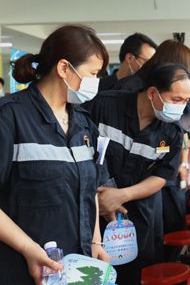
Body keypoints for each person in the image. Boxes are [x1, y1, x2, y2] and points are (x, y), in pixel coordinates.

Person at [0, 25, 110, 284]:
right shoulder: (10, 118)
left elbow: (90, 188)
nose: (95, 82)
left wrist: (95, 240)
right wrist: (29, 249)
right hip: (27, 268)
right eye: (92, 73)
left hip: (77, 267)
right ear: (64, 68)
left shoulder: (83, 123)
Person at [89, 63, 189, 285]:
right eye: (176, 100)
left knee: (133, 274)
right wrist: (99, 198)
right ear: (153, 93)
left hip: (135, 212)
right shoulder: (104, 106)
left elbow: (162, 176)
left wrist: (121, 195)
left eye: (186, 101)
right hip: (91, 207)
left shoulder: (171, 132)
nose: (180, 107)